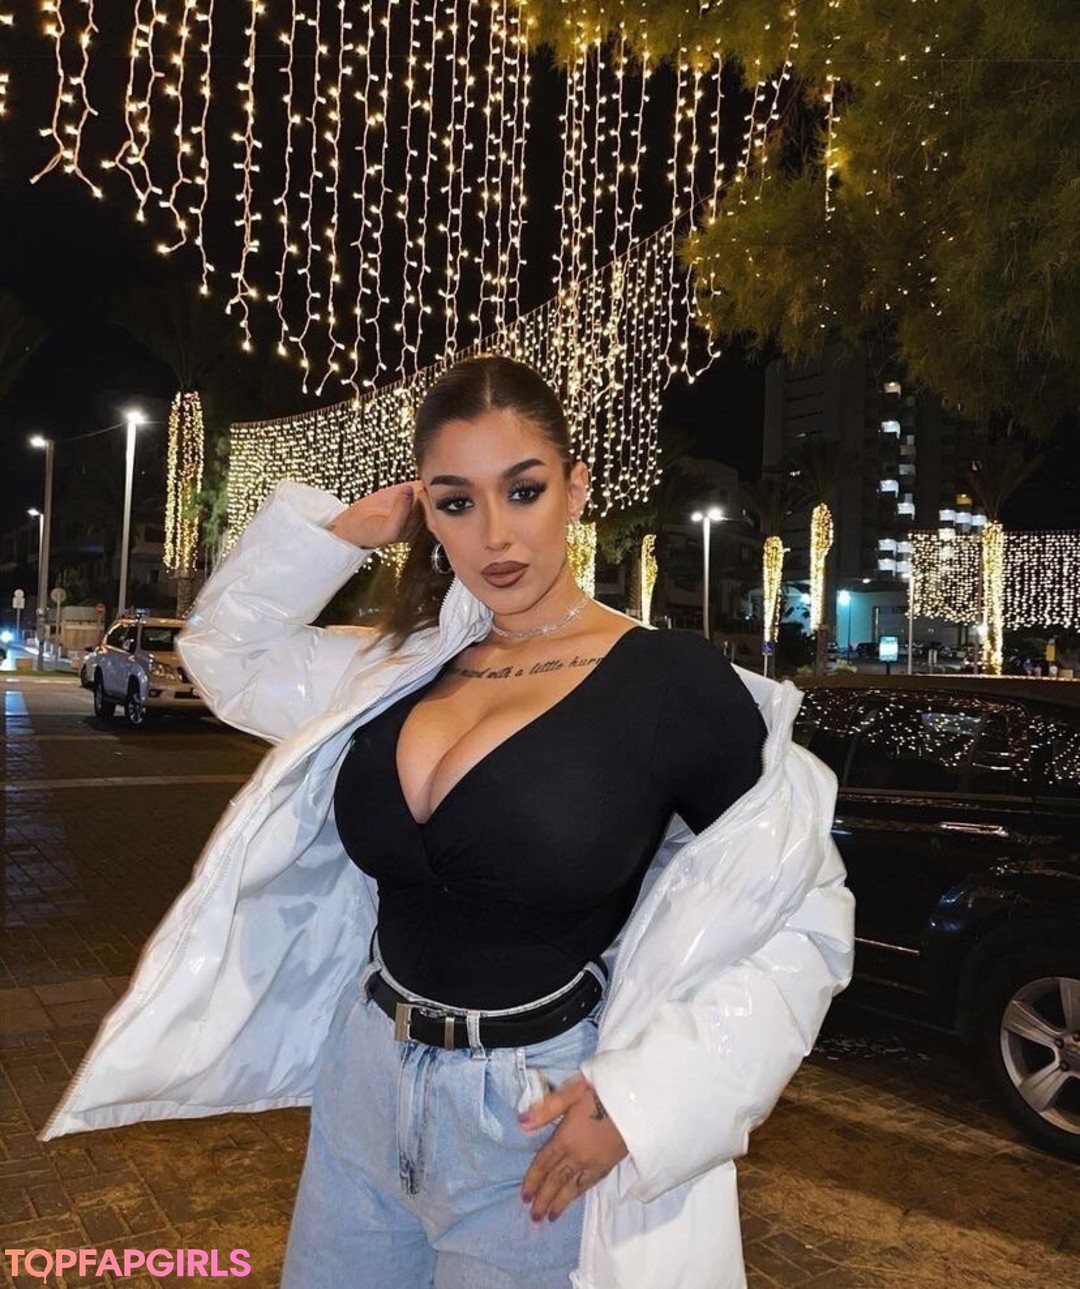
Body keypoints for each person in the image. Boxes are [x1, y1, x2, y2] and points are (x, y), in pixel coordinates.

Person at [44, 356, 854, 1288]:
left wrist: (649, 1102)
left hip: (538, 1123)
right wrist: (342, 536)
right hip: (363, 1086)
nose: (495, 534)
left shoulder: (672, 683)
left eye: (524, 490)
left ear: (576, 489)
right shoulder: (400, 666)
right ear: (425, 512)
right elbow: (228, 654)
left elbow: (805, 912)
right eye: (456, 501)